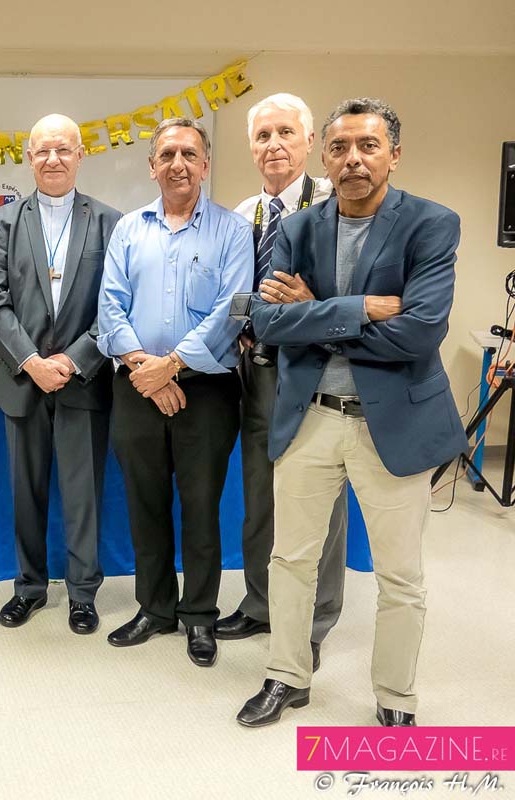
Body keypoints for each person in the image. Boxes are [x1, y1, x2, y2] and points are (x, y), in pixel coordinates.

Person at [236, 98, 465, 727]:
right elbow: (269, 321)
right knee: (291, 560)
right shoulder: (298, 228)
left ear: (394, 153)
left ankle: (395, 699)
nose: (353, 159)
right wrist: (362, 307)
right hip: (309, 416)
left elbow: (419, 334)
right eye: (339, 148)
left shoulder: (431, 224)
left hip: (392, 425)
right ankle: (286, 676)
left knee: (399, 575)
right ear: (325, 157)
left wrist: (319, 309)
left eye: (368, 146)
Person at [98, 118, 253, 668]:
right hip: (135, 382)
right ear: (152, 166)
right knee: (144, 503)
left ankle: (200, 617)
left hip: (205, 391)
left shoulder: (234, 232)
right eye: (167, 155)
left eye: (189, 153)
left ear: (206, 164)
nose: (178, 164)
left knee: (200, 506)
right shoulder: (128, 230)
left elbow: (233, 309)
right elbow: (109, 306)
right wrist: (146, 368)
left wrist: (172, 366)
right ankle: (154, 609)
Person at [0, 113, 122, 634]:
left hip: (84, 378)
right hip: (22, 380)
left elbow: (116, 306)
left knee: (83, 494)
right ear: (28, 157)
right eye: (43, 151)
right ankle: (29, 588)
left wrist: (74, 359)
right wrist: (31, 361)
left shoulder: (110, 222)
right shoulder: (1, 223)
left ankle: (83, 594)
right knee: (26, 490)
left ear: (80, 156)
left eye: (63, 150)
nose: (53, 159)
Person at [219, 93, 345, 673]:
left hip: (313, 373)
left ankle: (313, 623)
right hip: (255, 373)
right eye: (263, 136)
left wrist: (313, 305)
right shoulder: (244, 211)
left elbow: (353, 294)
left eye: (285, 133)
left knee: (319, 504)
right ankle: (261, 602)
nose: (273, 145)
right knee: (259, 498)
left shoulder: (336, 205)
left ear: (308, 138)